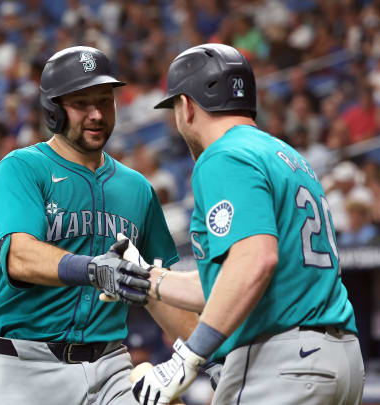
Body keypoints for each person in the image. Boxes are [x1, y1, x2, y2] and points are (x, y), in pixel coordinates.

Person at [129, 44, 364, 405]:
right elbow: (228, 286)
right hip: (338, 358)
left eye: (175, 106)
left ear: (189, 106)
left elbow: (255, 261)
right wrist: (145, 277)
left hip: (283, 359)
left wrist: (188, 357)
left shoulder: (223, 155)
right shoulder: (284, 154)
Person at [0, 46, 194, 405]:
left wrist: (213, 360)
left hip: (110, 367)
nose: (96, 114)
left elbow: (159, 286)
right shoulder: (22, 168)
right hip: (26, 368)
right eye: (81, 103)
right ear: (53, 109)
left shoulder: (137, 188)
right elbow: (19, 257)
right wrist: (92, 269)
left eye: (105, 101)